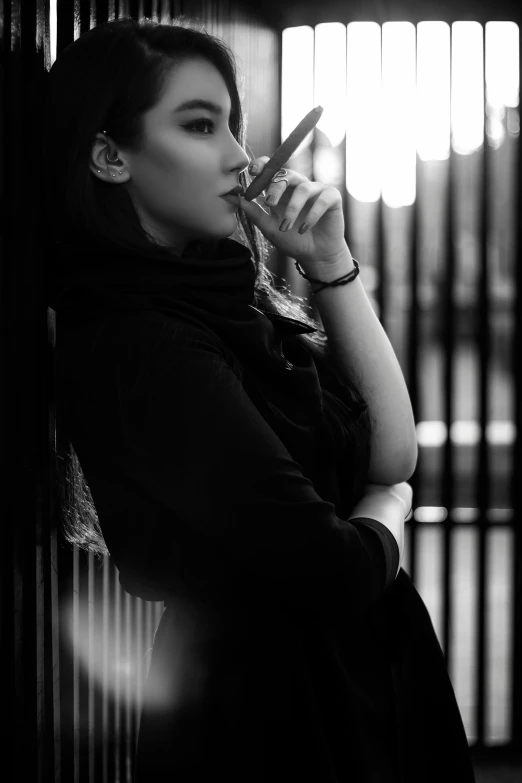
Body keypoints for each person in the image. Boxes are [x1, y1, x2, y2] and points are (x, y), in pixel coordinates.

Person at [39, 16, 476, 783]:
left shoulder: (223, 299)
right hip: (275, 721)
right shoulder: (145, 341)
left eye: (234, 125)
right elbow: (336, 568)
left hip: (352, 681)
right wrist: (391, 510)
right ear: (109, 155)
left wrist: (332, 264)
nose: (242, 157)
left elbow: (390, 451)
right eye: (200, 125)